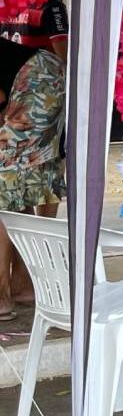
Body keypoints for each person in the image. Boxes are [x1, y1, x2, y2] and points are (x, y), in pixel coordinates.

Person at [0, 38, 66, 320]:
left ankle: (2, 294)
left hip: (37, 76)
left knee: (5, 181)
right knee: (19, 182)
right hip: (37, 76)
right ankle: (22, 285)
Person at [0, 0, 67, 220]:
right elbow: (65, 58)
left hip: (35, 85)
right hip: (31, 85)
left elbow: (63, 56)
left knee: (13, 180)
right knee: (19, 180)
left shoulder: (47, 6)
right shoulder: (47, 5)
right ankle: (34, 244)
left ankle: (37, 242)